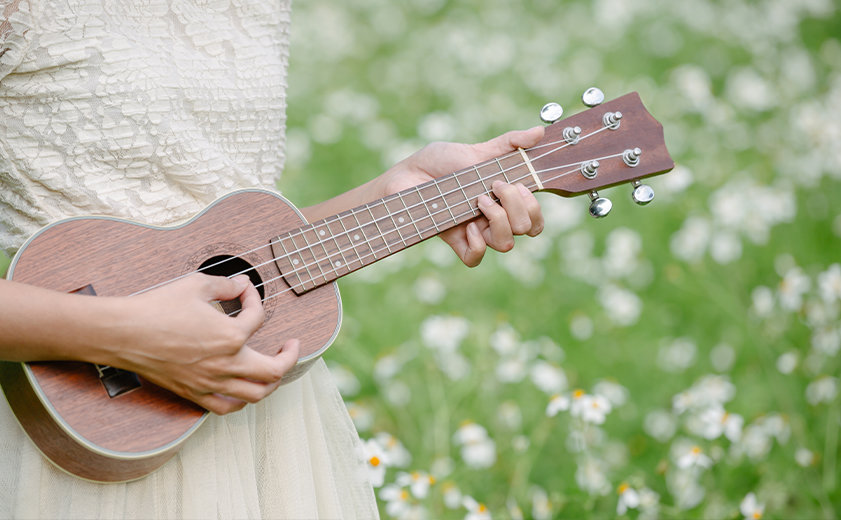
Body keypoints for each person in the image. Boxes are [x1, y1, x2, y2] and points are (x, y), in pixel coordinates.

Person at [0, 0, 544, 517]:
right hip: (68, 406)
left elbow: (238, 240)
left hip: (258, 421)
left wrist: (394, 191)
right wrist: (128, 335)